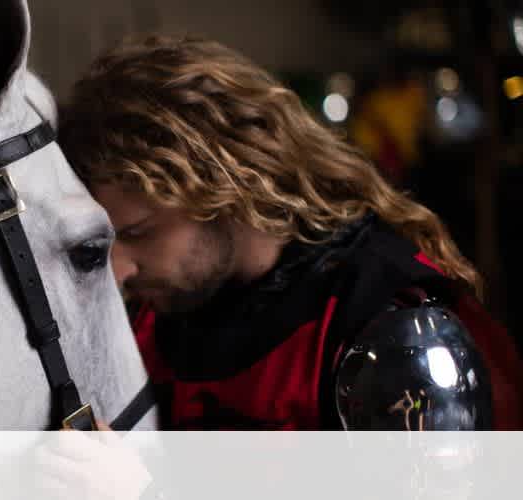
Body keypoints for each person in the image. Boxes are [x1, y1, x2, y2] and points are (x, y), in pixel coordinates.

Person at [57, 34, 523, 430]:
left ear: (225, 184)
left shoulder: (390, 330)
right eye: (106, 242)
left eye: (139, 231)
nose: (117, 272)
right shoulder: (155, 320)